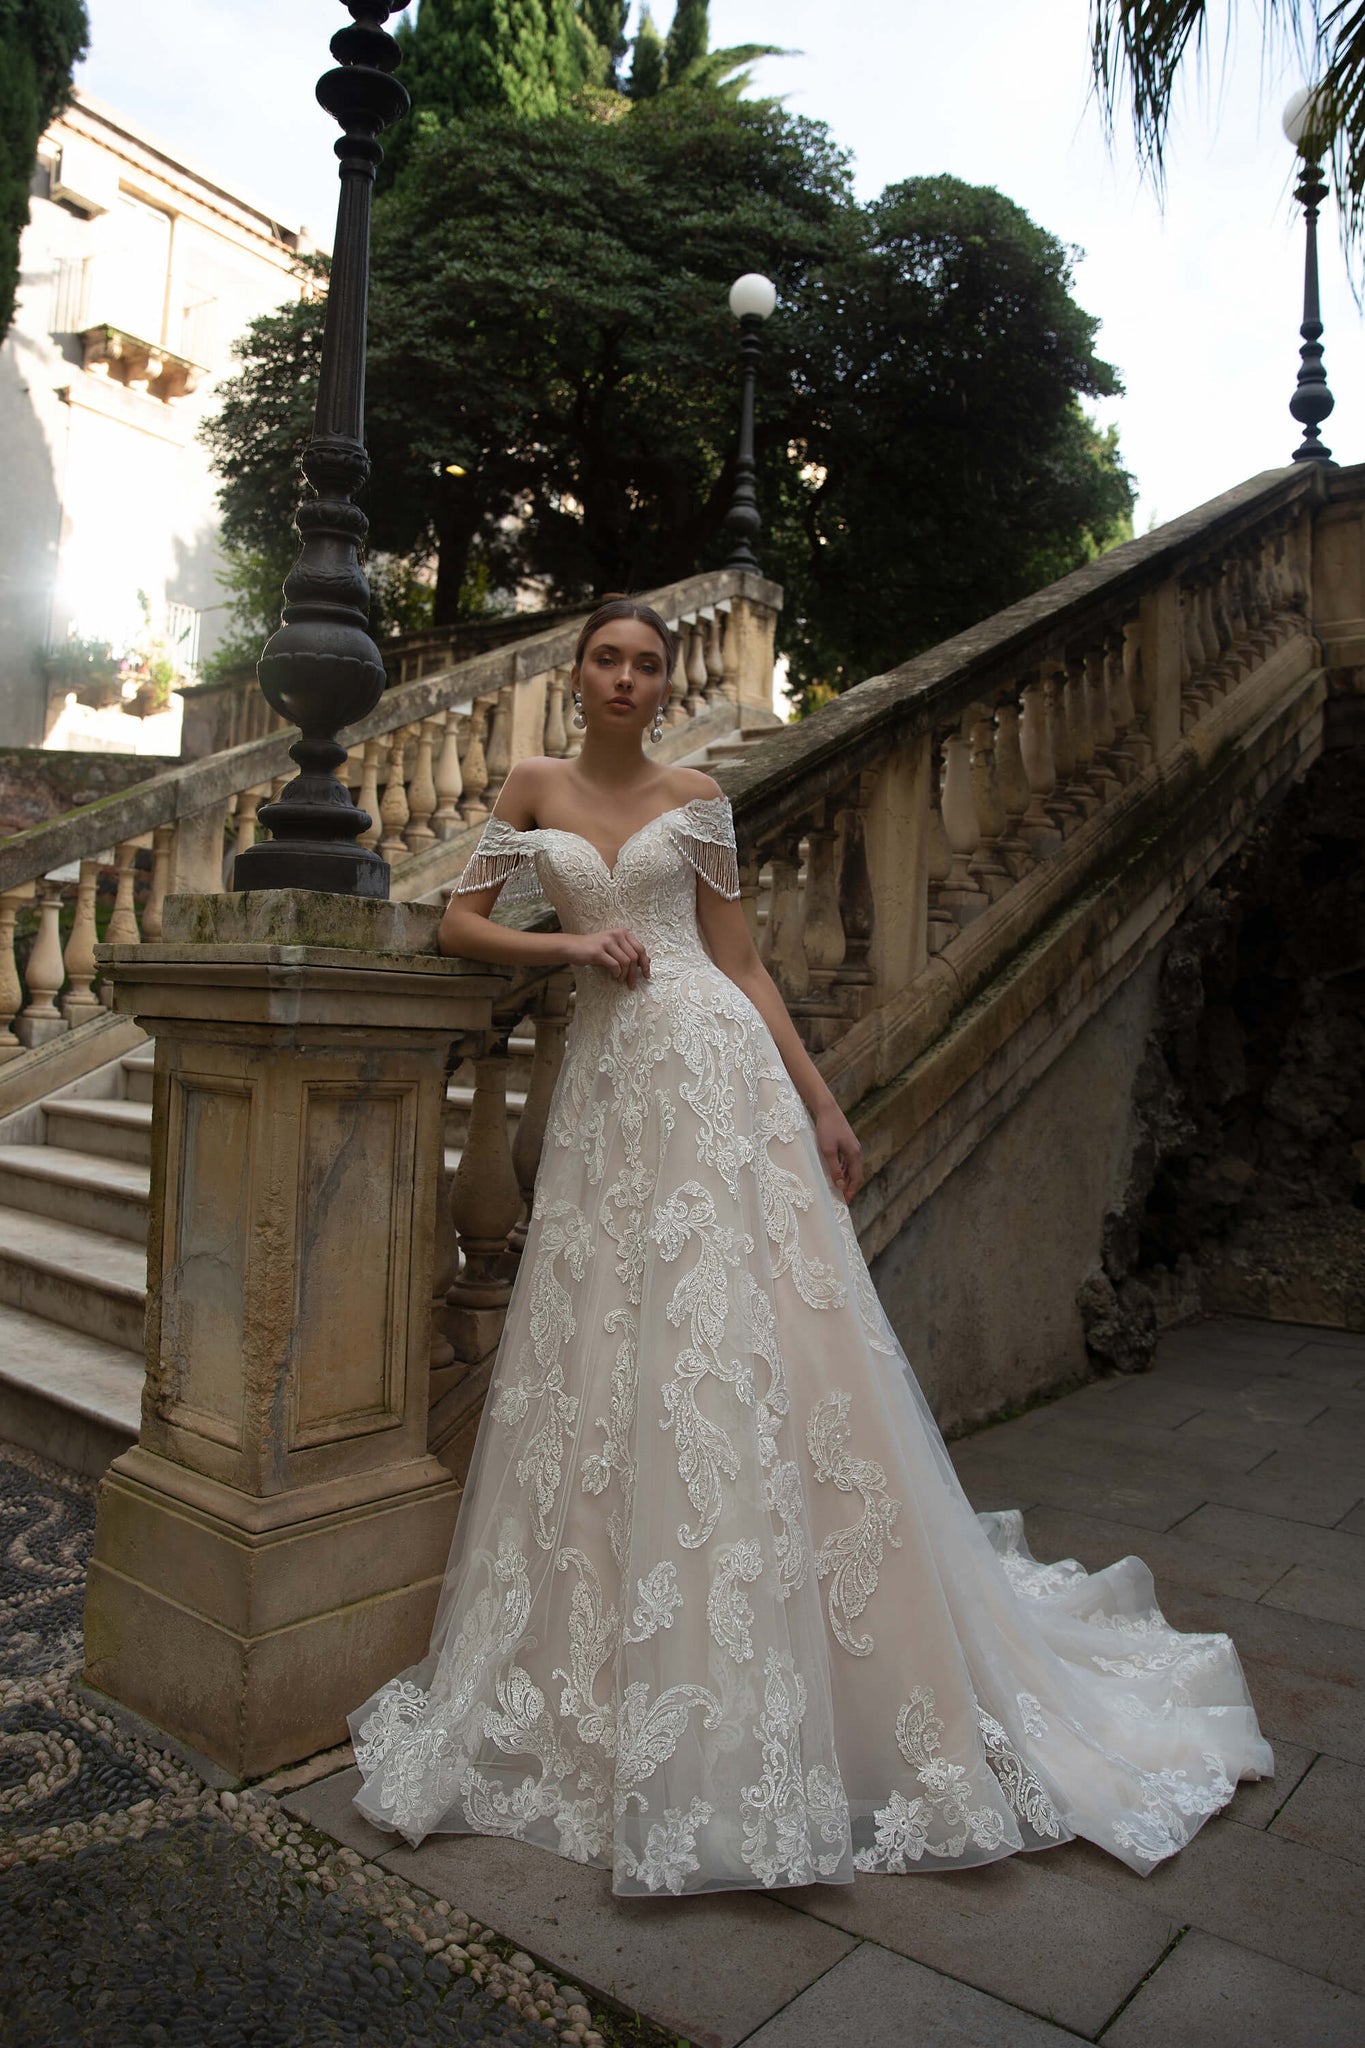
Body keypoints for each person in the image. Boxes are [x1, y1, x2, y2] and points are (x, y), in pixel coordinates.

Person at [348, 596, 1273, 1896]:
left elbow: (741, 962)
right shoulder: (531, 785)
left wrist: (822, 1101)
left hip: (717, 1085)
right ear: (576, 677)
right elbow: (458, 925)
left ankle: (795, 1651)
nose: (625, 676)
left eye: (645, 663)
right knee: (611, 1353)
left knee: (751, 1347)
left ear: (663, 685)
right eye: (605, 658)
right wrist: (564, 941)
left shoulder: (696, 796)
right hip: (612, 1095)